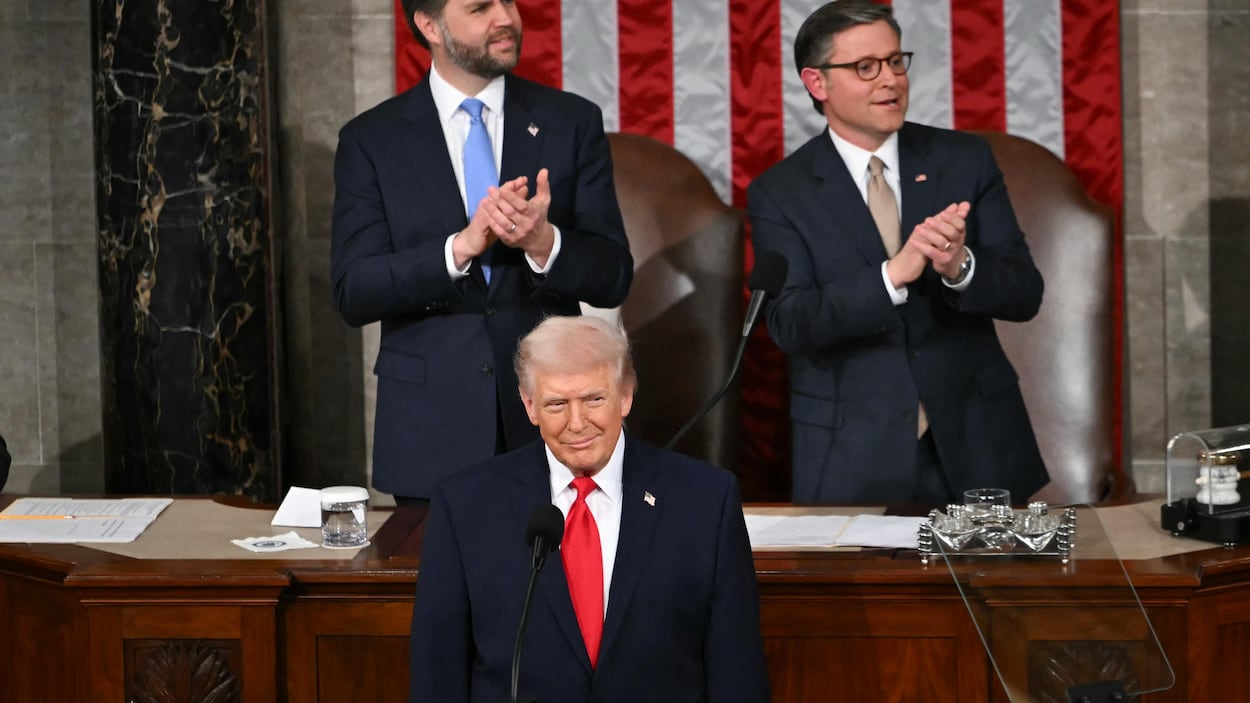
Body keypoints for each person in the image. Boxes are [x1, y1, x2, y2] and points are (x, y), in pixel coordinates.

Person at [331, 0, 633, 504]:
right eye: (479, 8)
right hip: (431, 435)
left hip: (553, 428)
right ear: (429, 25)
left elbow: (614, 275)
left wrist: (543, 242)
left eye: (508, 1)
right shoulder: (371, 140)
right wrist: (460, 248)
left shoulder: (570, 121)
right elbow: (354, 291)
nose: (505, 18)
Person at [748, 0, 1048, 506]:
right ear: (817, 83)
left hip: (977, 443)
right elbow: (792, 322)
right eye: (866, 67)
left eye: (894, 61)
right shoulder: (780, 193)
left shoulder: (963, 159)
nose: (890, 80)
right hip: (854, 455)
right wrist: (892, 276)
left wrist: (960, 267)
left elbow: (1024, 293)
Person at [408, 315, 770, 703]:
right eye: (556, 404)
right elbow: (437, 673)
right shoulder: (466, 506)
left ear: (626, 395)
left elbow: (738, 670)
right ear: (529, 406)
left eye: (594, 399)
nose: (577, 423)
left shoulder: (705, 501)